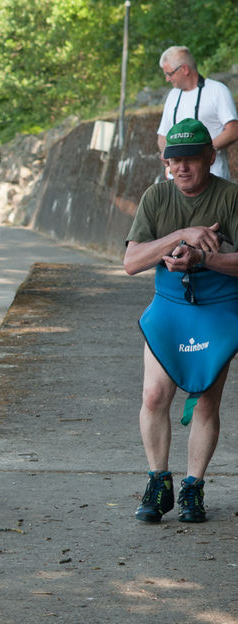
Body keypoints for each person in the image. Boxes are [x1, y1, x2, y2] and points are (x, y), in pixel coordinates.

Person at [124, 118, 238, 524]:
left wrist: (204, 257)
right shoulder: (156, 197)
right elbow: (131, 262)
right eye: (175, 160)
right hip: (170, 305)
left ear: (211, 157)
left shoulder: (231, 197)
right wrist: (179, 238)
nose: (183, 167)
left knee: (206, 397)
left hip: (219, 306)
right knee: (154, 396)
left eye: (192, 158)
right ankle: (159, 482)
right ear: (165, 162)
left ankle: (193, 487)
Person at [156, 46, 238, 180]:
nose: (167, 79)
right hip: (178, 183)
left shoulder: (217, 91)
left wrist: (201, 151)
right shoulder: (172, 95)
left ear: (184, 69)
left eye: (169, 74)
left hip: (213, 179)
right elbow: (162, 134)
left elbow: (234, 130)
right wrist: (168, 153)